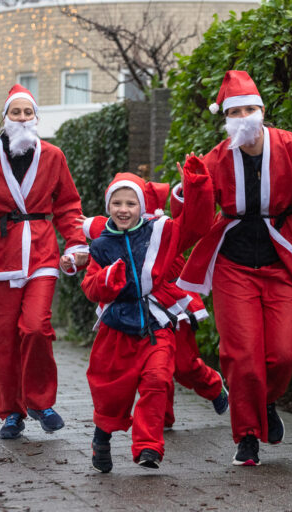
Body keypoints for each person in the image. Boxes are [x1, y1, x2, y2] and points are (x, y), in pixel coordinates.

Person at [176, 70, 292, 466]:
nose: (244, 117)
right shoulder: (215, 158)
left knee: (286, 352)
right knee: (241, 357)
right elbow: (195, 218)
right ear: (226, 118)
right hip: (233, 265)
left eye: (250, 108)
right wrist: (186, 191)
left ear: (262, 110)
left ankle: (267, 401)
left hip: (282, 260)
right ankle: (247, 437)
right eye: (235, 111)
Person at [0, 84, 90, 439]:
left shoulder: (53, 156)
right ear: (5, 118)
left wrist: (75, 244)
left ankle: (40, 401)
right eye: (16, 113)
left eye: (28, 113)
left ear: (36, 118)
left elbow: (69, 206)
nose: (22, 118)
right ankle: (12, 412)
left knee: (36, 327)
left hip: (41, 251)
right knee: (3, 339)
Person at [78, 160, 213, 473]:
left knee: (157, 380)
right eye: (117, 203)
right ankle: (102, 438)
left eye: (131, 203)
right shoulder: (100, 245)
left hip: (155, 324)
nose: (123, 209)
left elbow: (195, 224)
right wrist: (107, 280)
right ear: (107, 205)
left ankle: (149, 447)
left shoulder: (160, 233)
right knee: (111, 393)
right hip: (116, 331)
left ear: (142, 206)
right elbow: (90, 285)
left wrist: (197, 185)